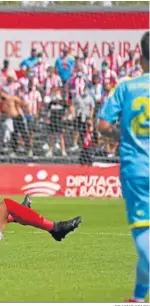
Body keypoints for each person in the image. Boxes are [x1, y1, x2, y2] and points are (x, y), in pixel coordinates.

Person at [97, 31, 149, 303]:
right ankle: (138, 299)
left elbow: (103, 125)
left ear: (141, 58)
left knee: (145, 236)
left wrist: (125, 136)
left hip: (137, 170)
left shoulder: (126, 87)